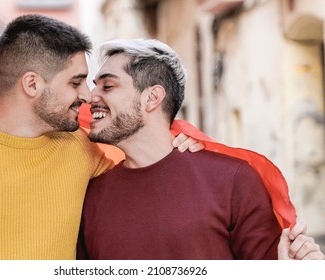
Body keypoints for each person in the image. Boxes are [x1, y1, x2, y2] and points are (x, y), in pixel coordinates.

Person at [0, 15, 200, 260]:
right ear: (32, 84)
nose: (87, 96)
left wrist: (179, 149)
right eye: (76, 82)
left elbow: (142, 173)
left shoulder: (80, 148)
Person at [77, 38, 324, 260]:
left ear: (152, 98)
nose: (90, 97)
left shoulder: (233, 180)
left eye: (107, 86)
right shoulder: (91, 194)